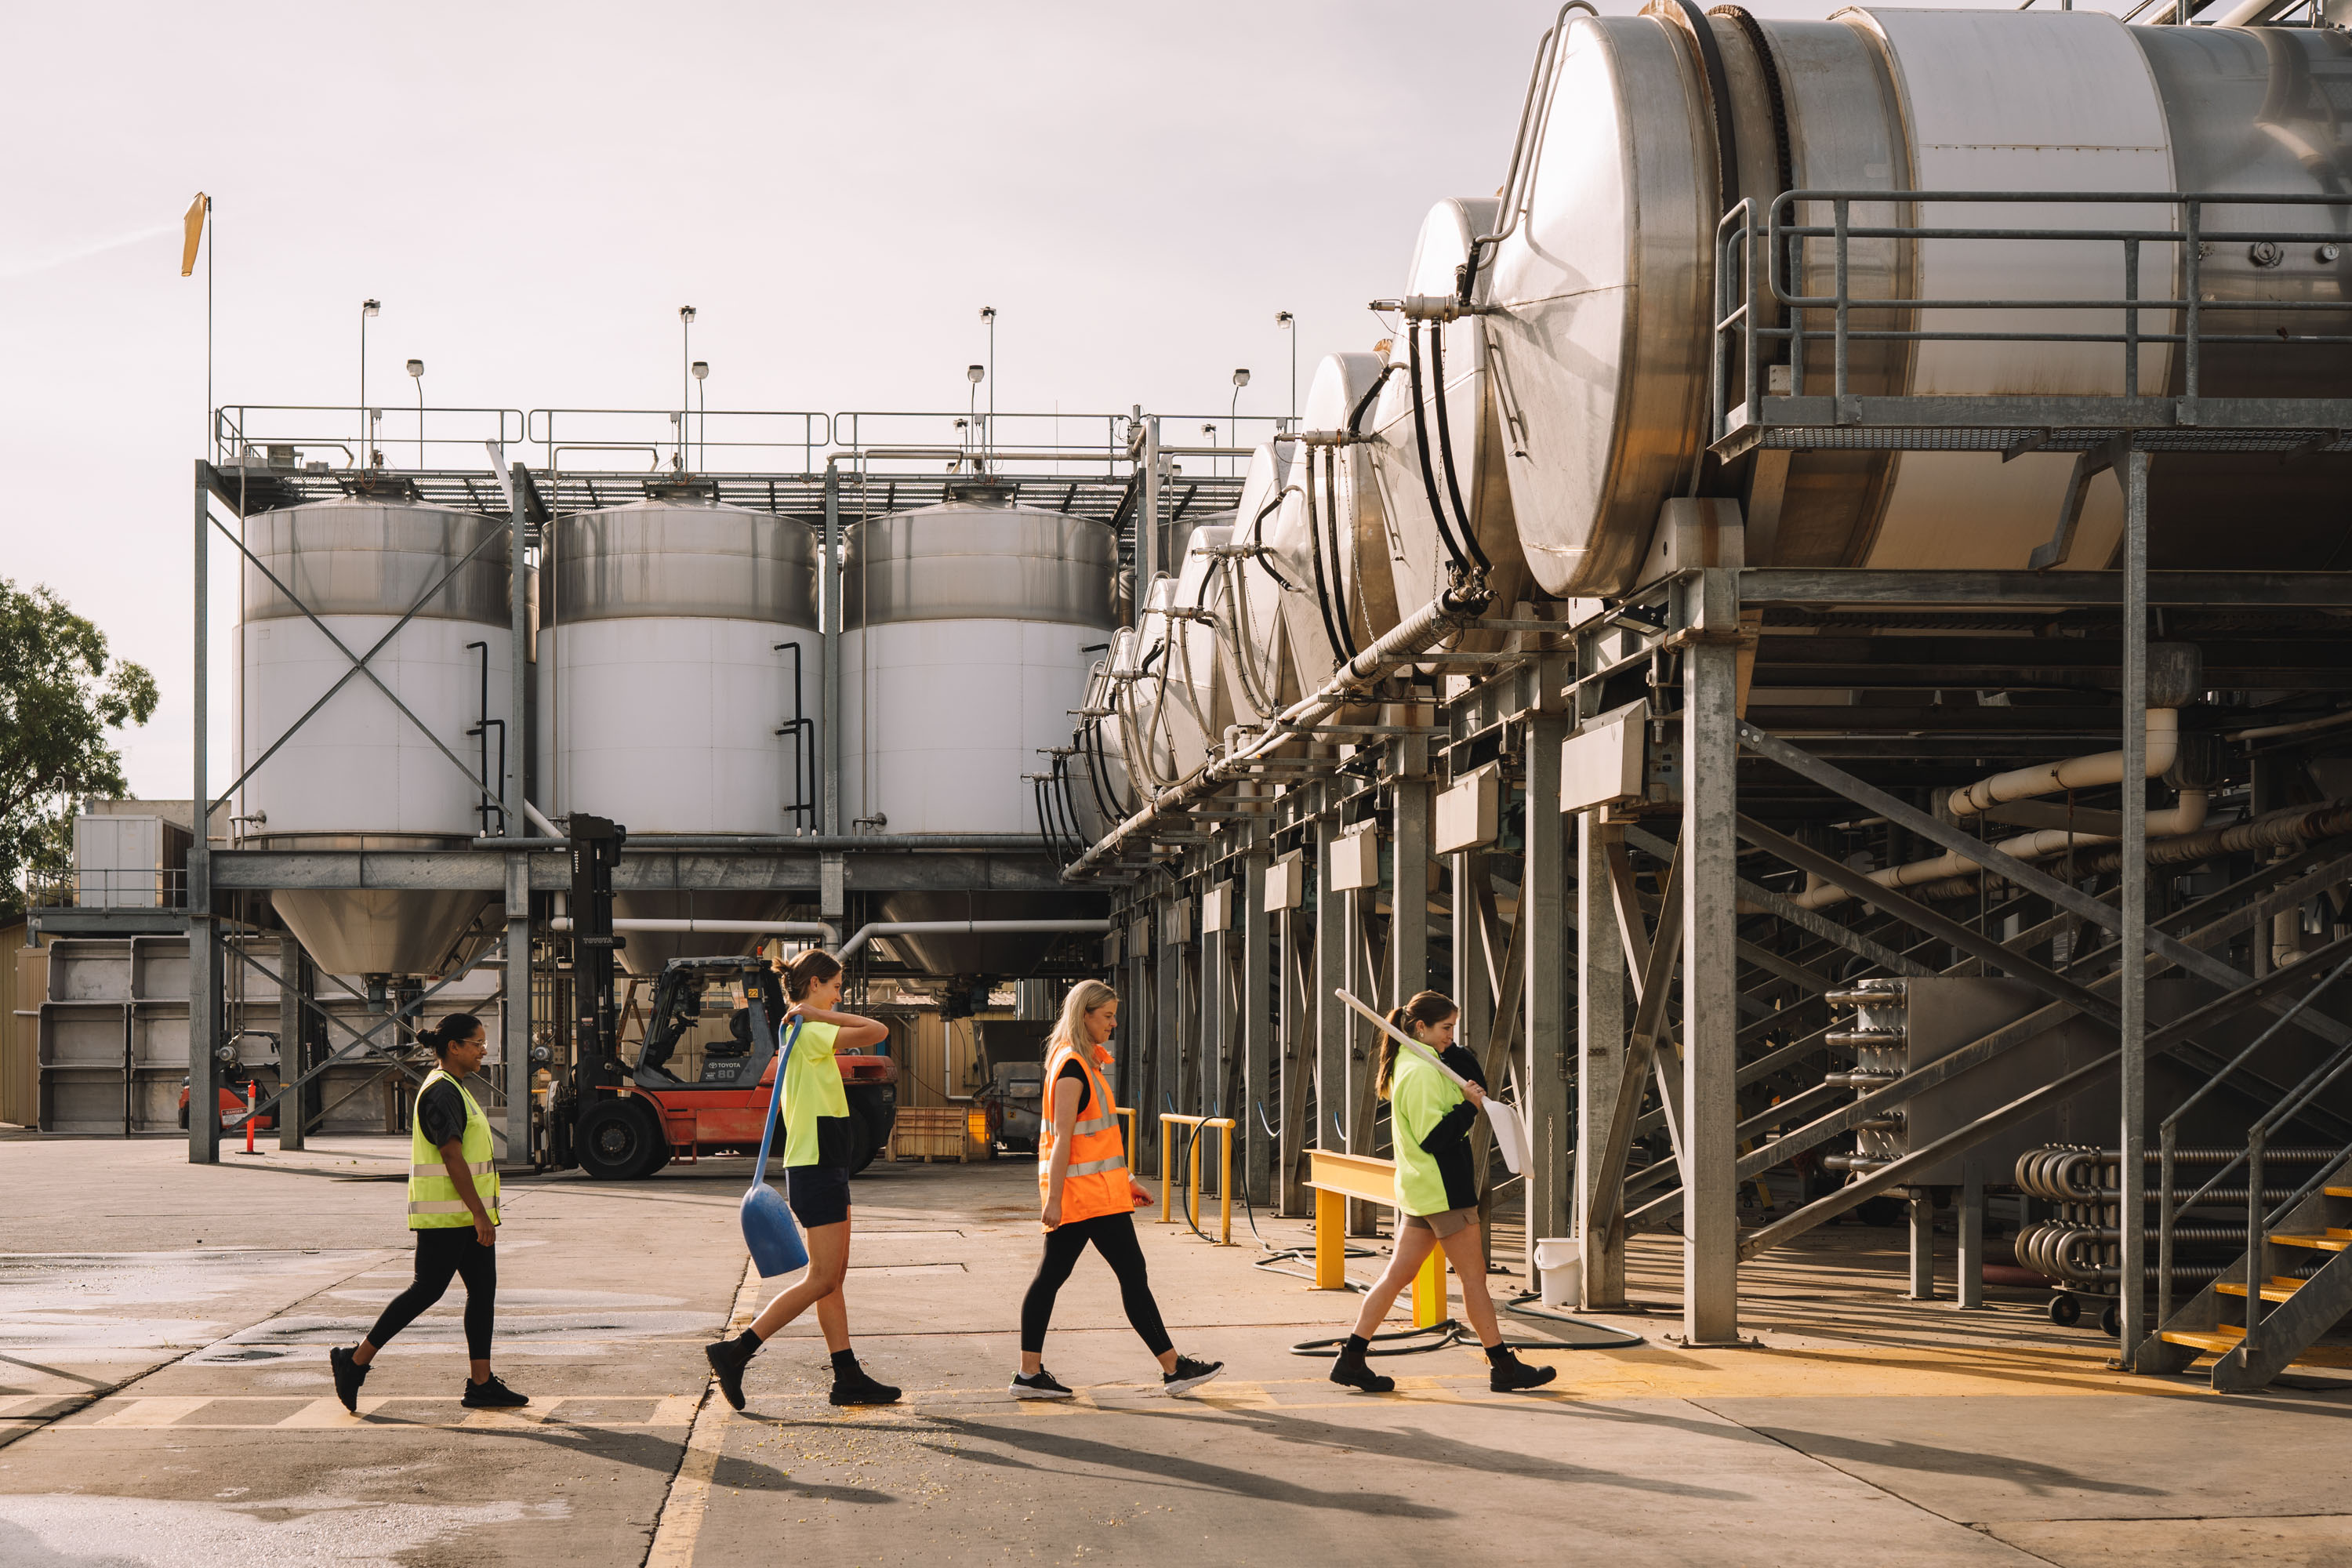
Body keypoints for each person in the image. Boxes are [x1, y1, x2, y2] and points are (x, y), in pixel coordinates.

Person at [1327, 989, 1556, 1396]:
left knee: (1398, 1276)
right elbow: (1434, 1138)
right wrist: (1469, 1106)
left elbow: (1465, 1077)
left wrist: (1465, 1084)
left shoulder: (1421, 1062)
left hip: (1424, 1188)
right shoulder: (1419, 1072)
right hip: (1443, 1188)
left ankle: (1352, 1358)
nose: (1453, 1035)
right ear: (1421, 1028)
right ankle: (1504, 1367)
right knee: (1474, 1279)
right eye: (1446, 1027)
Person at [705, 949, 900, 1410]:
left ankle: (847, 1376)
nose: (839, 995)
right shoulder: (809, 1028)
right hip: (816, 1167)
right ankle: (736, 1352)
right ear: (814, 986)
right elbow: (879, 1031)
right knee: (822, 1278)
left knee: (832, 1278)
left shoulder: (804, 1028)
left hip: (825, 1163)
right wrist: (816, 1012)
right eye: (835, 987)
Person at [1011, 979, 1224, 1399]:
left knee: (1052, 1278)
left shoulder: (1079, 1061)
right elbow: (1063, 1139)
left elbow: (1100, 1139)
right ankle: (1173, 1369)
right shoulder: (1073, 1067)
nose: (1113, 1024)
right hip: (1085, 1198)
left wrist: (1126, 1182)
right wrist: (1053, 1201)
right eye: (1106, 1016)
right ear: (1084, 1016)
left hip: (1097, 1193)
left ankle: (1030, 1375)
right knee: (1129, 1275)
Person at [330, 1013, 527, 1412]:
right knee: (427, 1290)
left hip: (464, 1215)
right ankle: (354, 1361)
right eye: (477, 1044)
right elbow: (452, 1156)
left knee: (482, 1291)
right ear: (454, 1047)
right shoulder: (441, 1091)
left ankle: (482, 1383)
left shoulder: (457, 1087)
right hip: (448, 1217)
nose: (483, 1051)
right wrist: (479, 1213)